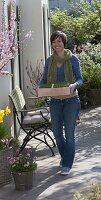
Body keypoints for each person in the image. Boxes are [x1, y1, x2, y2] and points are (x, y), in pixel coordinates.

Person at [39, 31, 83, 175]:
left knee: (69, 134)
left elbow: (80, 79)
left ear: (64, 42)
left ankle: (67, 165)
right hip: (55, 102)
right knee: (57, 134)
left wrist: (74, 85)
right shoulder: (49, 61)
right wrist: (39, 87)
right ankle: (66, 157)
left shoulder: (73, 59)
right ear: (51, 44)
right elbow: (44, 80)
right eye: (54, 42)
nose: (56, 44)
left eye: (59, 41)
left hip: (71, 101)